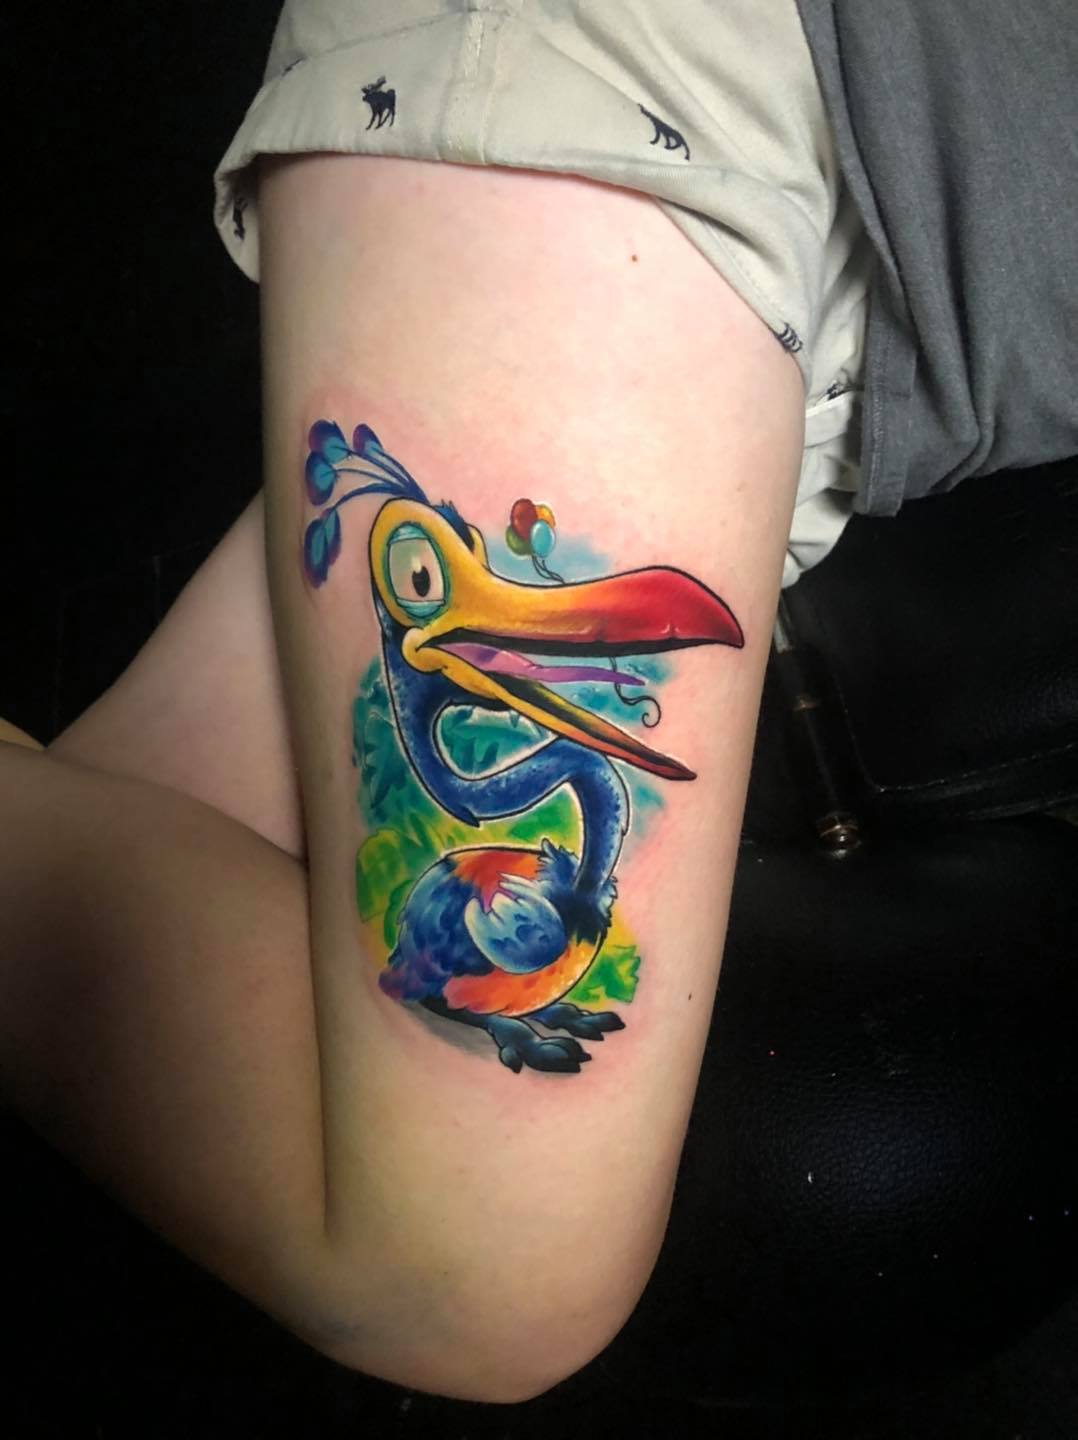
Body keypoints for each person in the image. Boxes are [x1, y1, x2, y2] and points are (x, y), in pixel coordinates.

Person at [4, 0, 1071, 1406]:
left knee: (120, 872)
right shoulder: (491, 823)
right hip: (665, 108)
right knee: (477, 1283)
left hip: (815, 311)